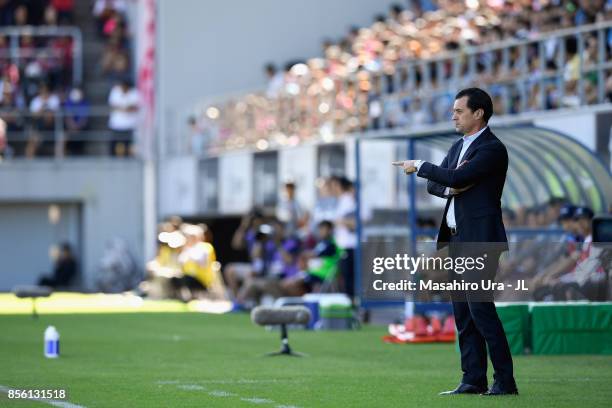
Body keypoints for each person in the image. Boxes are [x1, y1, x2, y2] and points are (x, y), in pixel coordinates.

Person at [393, 88, 518, 396]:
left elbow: (452, 177)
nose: (453, 115)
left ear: (479, 114)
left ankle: (505, 381)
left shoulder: (492, 149)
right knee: (463, 314)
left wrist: (421, 166)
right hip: (458, 241)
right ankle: (473, 379)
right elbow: (440, 183)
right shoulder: (457, 146)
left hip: (480, 241)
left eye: (460, 111)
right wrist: (449, 186)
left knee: (480, 311)